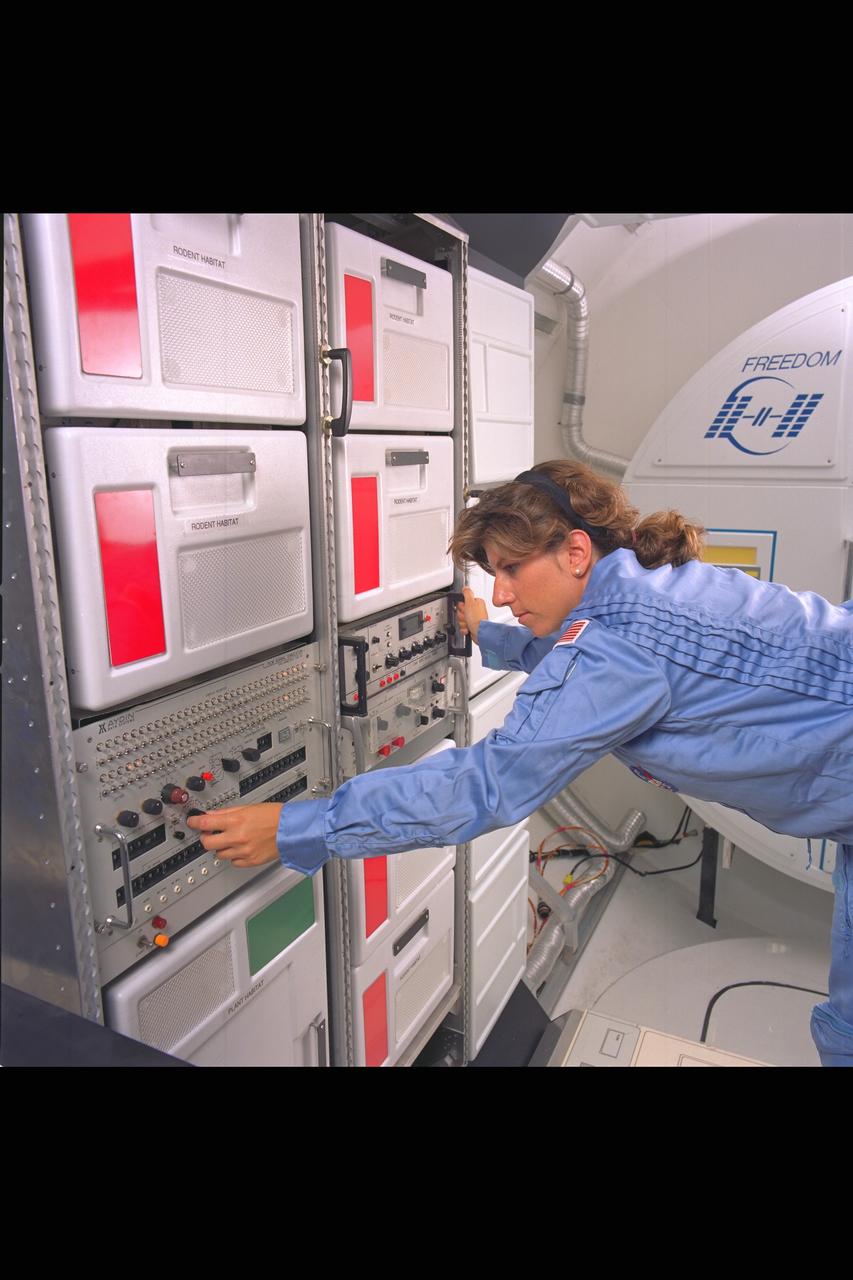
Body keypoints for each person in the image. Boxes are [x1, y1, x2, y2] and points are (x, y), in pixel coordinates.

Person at [187, 461, 853, 1067]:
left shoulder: (615, 648)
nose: (501, 593)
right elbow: (581, 651)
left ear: (574, 550)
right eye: (491, 576)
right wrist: (491, 636)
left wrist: (299, 826)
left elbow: (486, 785)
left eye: (511, 570)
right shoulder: (639, 588)